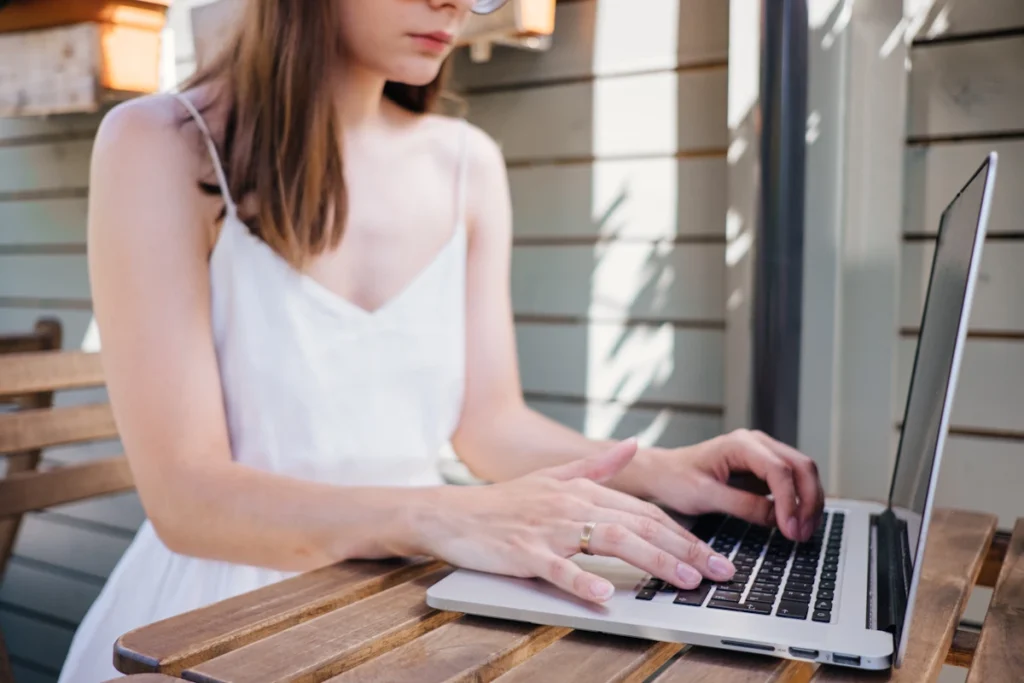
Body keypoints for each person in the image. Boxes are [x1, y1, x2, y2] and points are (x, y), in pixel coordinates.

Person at [58, 0, 824, 679]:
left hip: (403, 601)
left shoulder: (468, 164)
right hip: (214, 616)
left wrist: (660, 469)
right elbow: (188, 498)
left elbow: (489, 424)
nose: (458, 4)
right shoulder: (159, 143)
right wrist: (449, 514)